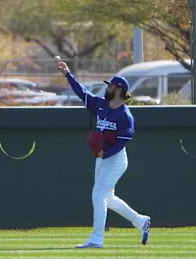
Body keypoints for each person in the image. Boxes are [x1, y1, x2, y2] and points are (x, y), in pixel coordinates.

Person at [58, 60, 151, 248]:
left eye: (110, 86)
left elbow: (122, 143)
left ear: (118, 90)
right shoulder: (101, 105)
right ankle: (140, 221)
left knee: (98, 195)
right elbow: (82, 93)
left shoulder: (125, 116)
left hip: (116, 159)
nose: (107, 88)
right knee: (107, 198)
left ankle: (96, 238)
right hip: (102, 158)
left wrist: (103, 152)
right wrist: (68, 75)